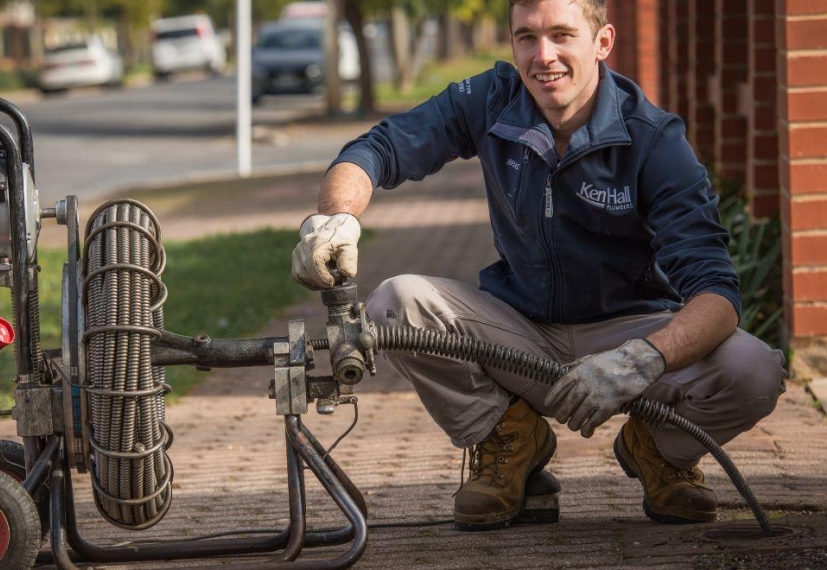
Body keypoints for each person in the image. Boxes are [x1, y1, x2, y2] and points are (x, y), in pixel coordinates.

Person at [290, 0, 787, 531]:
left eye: (561, 35)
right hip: (520, 331)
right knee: (394, 305)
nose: (543, 56)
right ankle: (509, 439)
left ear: (603, 42)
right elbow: (381, 148)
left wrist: (640, 361)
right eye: (526, 37)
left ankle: (659, 449)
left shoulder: (653, 140)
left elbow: (716, 293)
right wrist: (334, 220)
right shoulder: (490, 100)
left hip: (630, 334)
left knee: (754, 370)